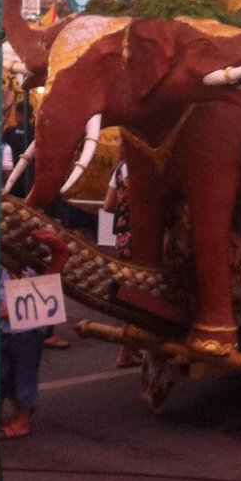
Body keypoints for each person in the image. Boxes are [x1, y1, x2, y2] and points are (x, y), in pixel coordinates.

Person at [0, 267, 47, 438]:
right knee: (2, 373)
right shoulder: (5, 265)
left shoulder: (34, 264)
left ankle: (22, 419)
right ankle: (18, 409)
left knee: (24, 375)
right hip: (4, 327)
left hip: (28, 327)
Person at [102, 146, 139, 367]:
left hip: (123, 238)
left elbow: (107, 206)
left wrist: (124, 211)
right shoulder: (143, 169)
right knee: (140, 295)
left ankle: (130, 350)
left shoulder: (119, 170)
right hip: (144, 238)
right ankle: (126, 352)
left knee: (130, 291)